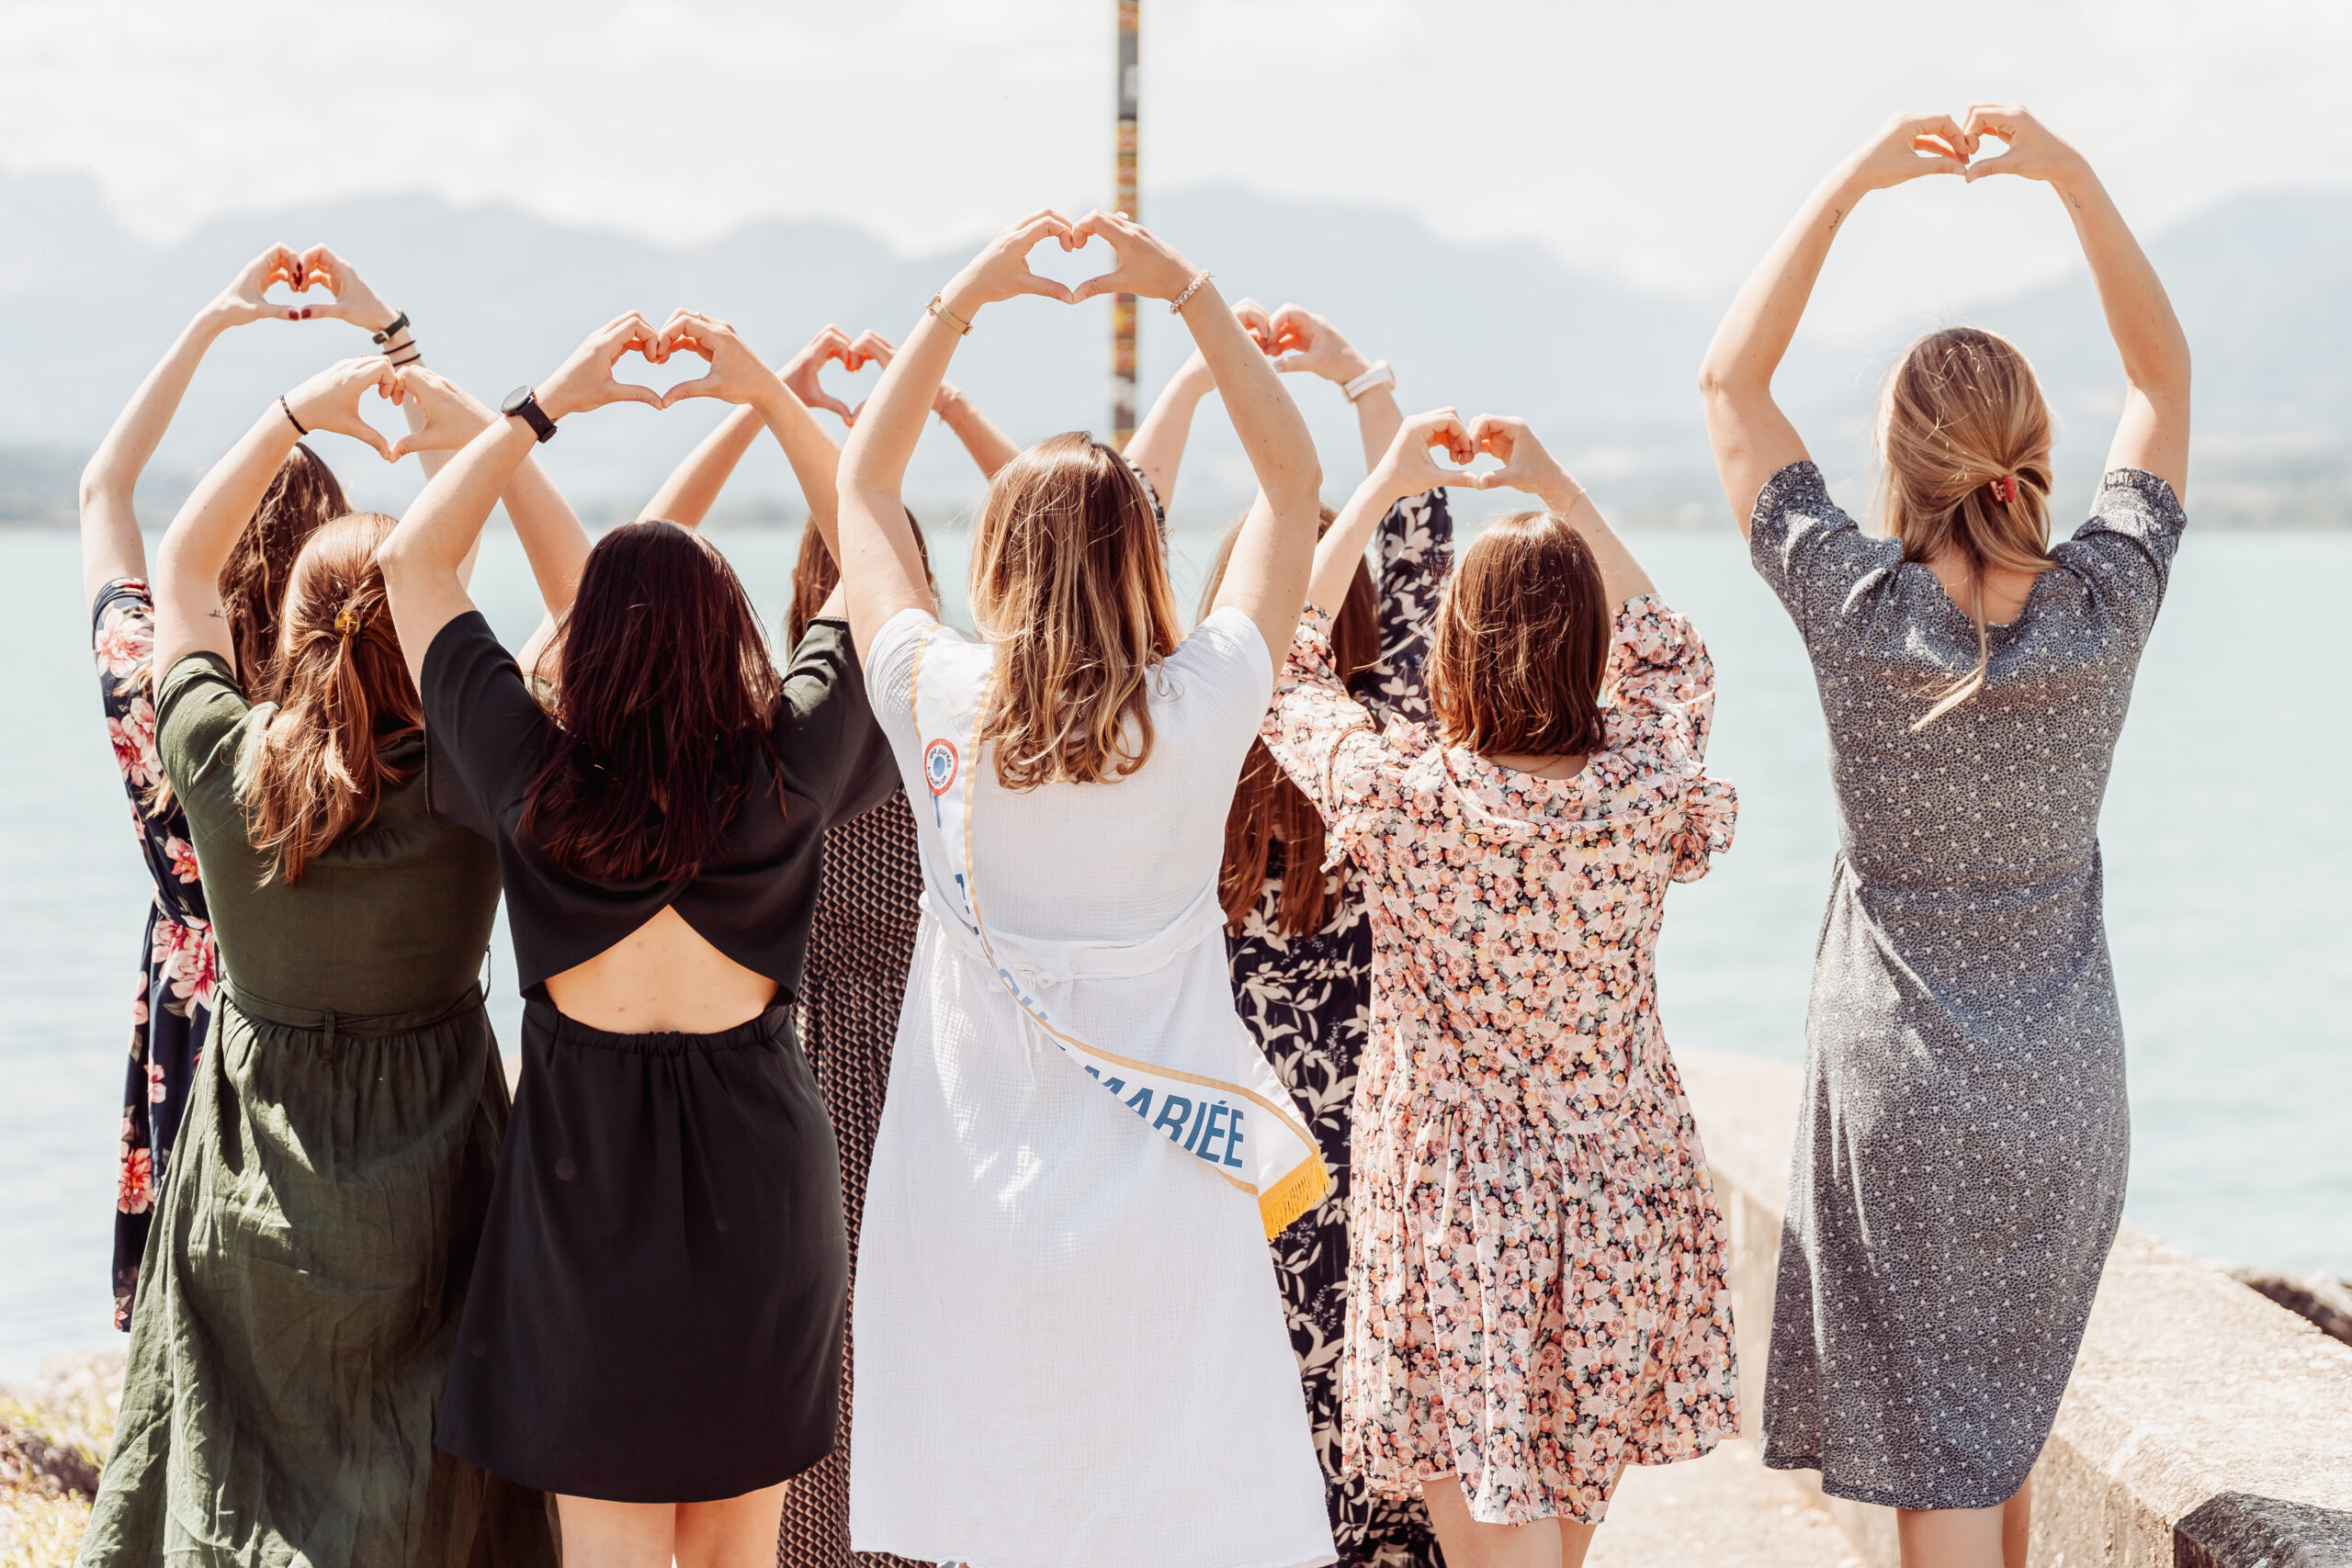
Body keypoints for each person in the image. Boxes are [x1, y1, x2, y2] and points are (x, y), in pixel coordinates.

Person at [1696, 106, 2191, 1568]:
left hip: (1898, 1091)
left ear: (1902, 465)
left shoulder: (1857, 611)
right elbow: (2164, 375)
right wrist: (2072, 176)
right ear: (2032, 459)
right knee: (1998, 1438)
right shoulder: (2105, 608)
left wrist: (1849, 176)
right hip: (2062, 1089)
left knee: (1941, 1460)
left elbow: (1730, 378)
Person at [831, 209, 1336, 1568]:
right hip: (1170, 1183)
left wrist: (969, 291)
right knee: (1164, 1511)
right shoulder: (1204, 703)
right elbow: (1294, 487)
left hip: (972, 1187)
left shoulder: (939, 700)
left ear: (997, 560)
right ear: (1142, 557)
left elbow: (859, 496)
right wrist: (1185, 287)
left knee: (1003, 1506)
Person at [382, 310, 899, 1568]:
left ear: (585, 645)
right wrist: (774, 394)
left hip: (581, 1217)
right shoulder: (786, 776)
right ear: (730, 631)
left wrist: (551, 397)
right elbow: (880, 569)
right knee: (739, 1557)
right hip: (768, 1207)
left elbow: (412, 560)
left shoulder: (530, 779)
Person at [76, 354, 568, 1568]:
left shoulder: (220, 759)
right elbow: (588, 595)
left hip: (258, 1160)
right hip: (437, 1162)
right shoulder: (482, 780)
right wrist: (489, 427)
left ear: (287, 630)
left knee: (240, 1468)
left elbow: (181, 565)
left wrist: (296, 407)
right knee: (426, 1479)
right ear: (427, 623)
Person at [1261, 410, 1741, 1568]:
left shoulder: (1404, 795)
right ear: (1589, 649)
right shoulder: (1645, 786)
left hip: (1452, 1193)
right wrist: (1551, 483)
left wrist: (1382, 483)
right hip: (1619, 1177)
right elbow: (1675, 651)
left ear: (1451, 649)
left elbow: (1286, 662)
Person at [627, 321, 1011, 1568]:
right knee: (920, 1326)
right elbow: (1055, 549)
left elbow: (625, 573)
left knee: (803, 1337)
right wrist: (933, 412)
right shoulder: (935, 701)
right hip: (934, 1045)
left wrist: (752, 406)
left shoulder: (751, 735)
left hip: (785, 1054)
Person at [1131, 299, 1453, 1568]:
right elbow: (1423, 546)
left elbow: (1128, 533)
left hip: (1226, 1161)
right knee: (1382, 1488)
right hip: (1374, 1175)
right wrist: (1359, 380)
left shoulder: (1183, 742)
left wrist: (1206, 385)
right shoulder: (1394, 749)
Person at [79, 243, 434, 1330]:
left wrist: (217, 323)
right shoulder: (379, 695)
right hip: (345, 1026)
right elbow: (457, 527)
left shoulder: (157, 684)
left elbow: (105, 486)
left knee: (199, 1319)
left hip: (196, 1014)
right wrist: (390, 339)